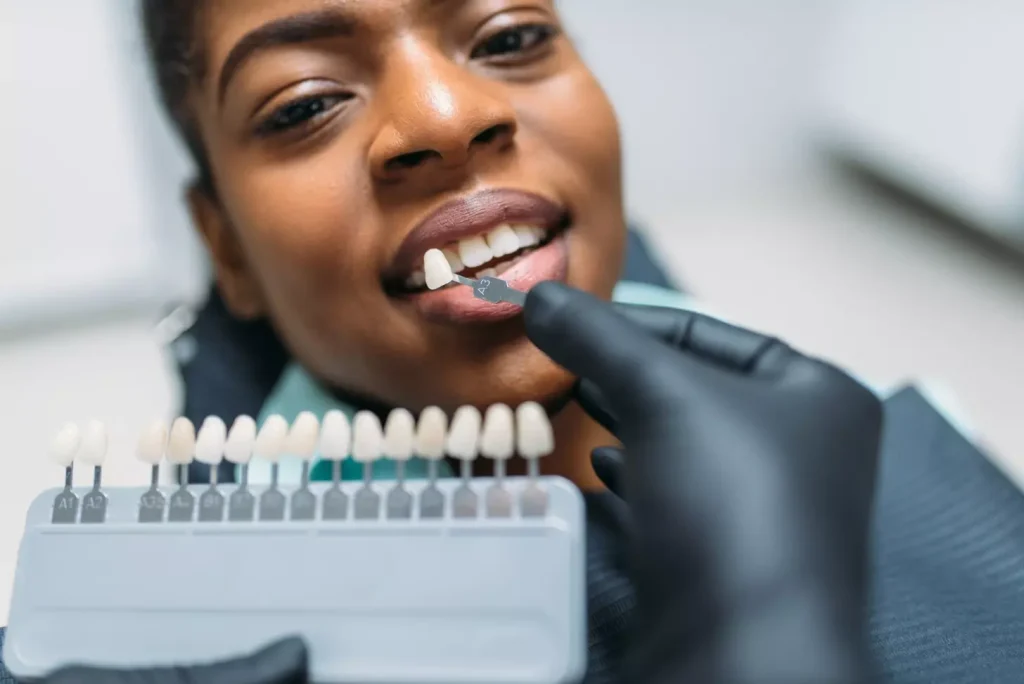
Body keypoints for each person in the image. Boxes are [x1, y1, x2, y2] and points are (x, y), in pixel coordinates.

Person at [3, 0, 1023, 681]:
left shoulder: (906, 445)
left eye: (507, 38)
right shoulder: (190, 610)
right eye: (307, 102)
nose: (447, 117)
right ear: (224, 245)